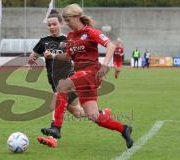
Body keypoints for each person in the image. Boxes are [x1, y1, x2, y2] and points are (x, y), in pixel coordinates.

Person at [37, 4, 133, 149]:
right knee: (93, 116)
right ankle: (123, 128)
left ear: (76, 17)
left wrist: (105, 65)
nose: (67, 25)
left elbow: (111, 46)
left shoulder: (90, 32)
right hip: (81, 75)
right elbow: (68, 56)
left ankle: (56, 127)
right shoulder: (70, 36)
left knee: (62, 86)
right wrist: (53, 55)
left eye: (68, 21)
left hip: (92, 72)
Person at [28, 10, 90, 141]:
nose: (52, 27)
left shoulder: (69, 40)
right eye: (49, 25)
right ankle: (101, 114)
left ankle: (53, 135)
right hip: (54, 82)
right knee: (78, 112)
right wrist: (32, 60)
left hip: (69, 80)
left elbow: (77, 59)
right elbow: (33, 56)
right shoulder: (43, 41)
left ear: (61, 24)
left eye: (54, 24)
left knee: (57, 97)